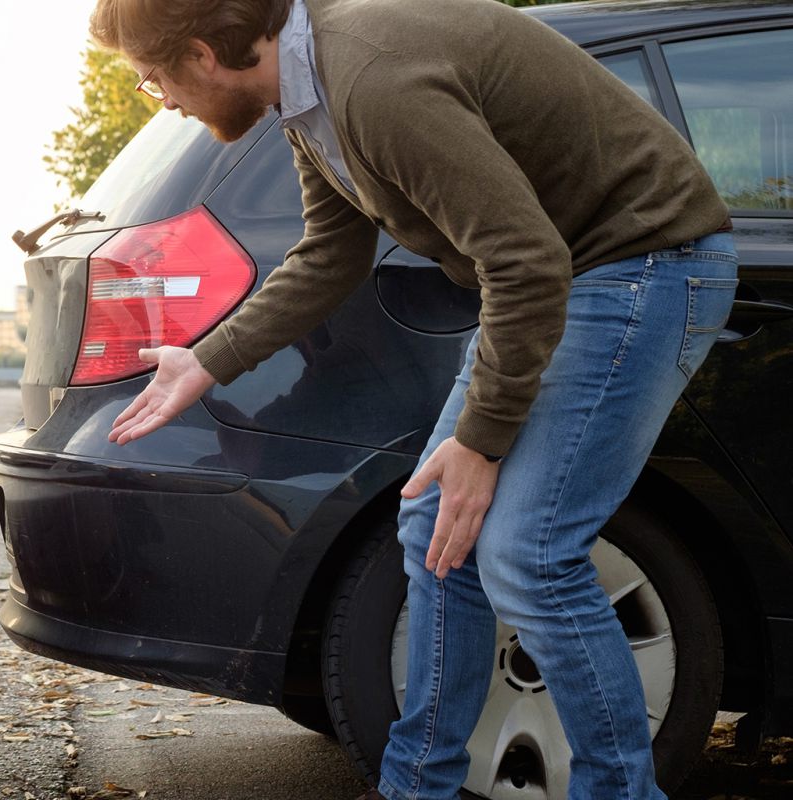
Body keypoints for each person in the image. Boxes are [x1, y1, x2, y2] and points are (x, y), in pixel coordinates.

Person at [90, 0, 736, 797]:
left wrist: (482, 443)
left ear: (201, 54)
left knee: (528, 557)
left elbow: (526, 262)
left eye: (155, 81)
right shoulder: (308, 91)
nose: (169, 101)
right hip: (567, 278)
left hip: (638, 267)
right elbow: (331, 252)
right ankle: (419, 784)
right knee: (436, 525)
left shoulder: (372, 78)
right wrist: (208, 360)